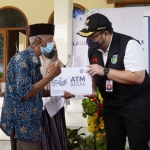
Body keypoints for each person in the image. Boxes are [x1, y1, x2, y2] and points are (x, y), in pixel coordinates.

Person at [77, 13, 150, 150]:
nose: (89, 40)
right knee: (113, 145)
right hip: (111, 104)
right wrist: (92, 88)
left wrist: (105, 71)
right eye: (87, 37)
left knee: (137, 144)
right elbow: (92, 72)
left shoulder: (129, 44)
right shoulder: (92, 49)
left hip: (135, 103)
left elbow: (138, 77)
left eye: (92, 36)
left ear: (105, 33)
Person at [0, 23, 63, 150]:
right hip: (22, 124)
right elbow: (26, 93)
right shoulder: (21, 60)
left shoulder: (34, 59)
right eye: (50, 40)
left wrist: (60, 92)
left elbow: (37, 90)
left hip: (32, 123)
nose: (53, 45)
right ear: (39, 40)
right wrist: (49, 77)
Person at [40, 43, 75, 150]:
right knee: (43, 142)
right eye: (47, 44)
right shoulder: (33, 65)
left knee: (57, 141)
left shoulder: (61, 66)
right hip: (39, 111)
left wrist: (68, 93)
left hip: (56, 112)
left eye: (54, 46)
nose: (51, 49)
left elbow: (67, 86)